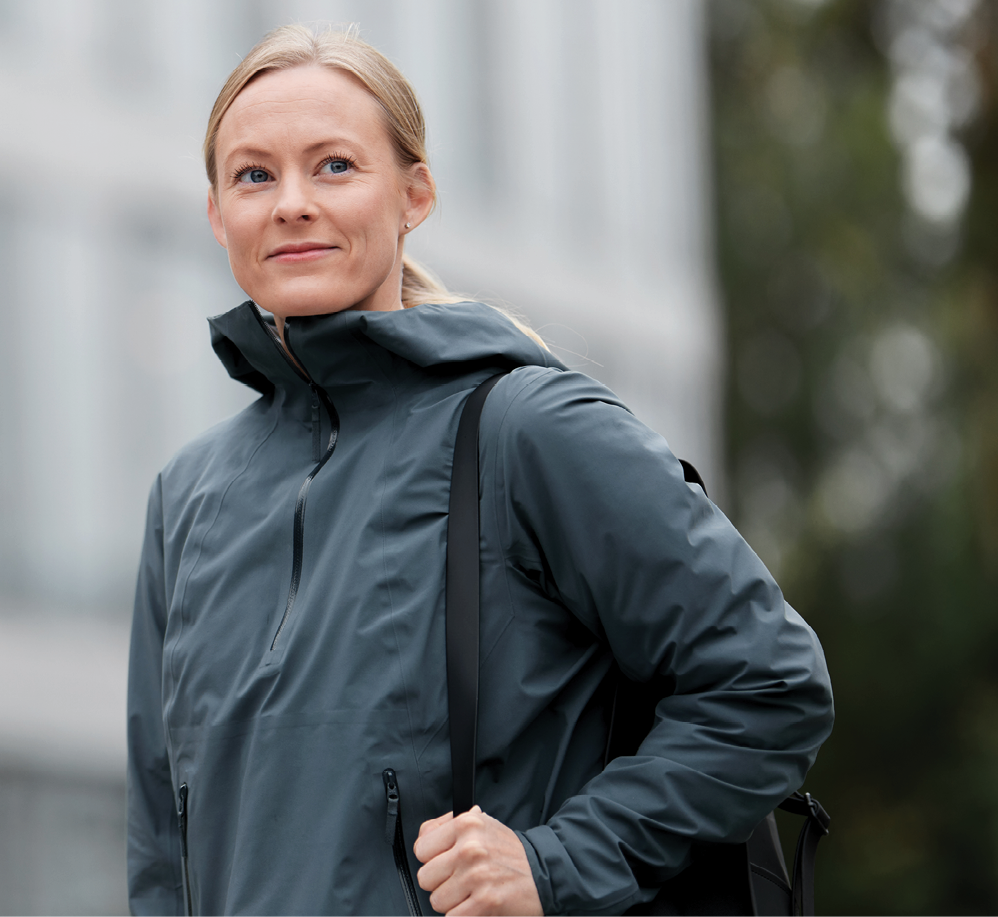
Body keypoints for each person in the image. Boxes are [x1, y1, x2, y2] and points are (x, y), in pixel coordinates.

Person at [124, 25, 833, 916]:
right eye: (254, 174)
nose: (291, 203)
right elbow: (160, 841)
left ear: (415, 194)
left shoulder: (528, 429)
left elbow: (769, 682)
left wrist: (556, 863)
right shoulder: (186, 498)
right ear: (218, 212)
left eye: (335, 166)